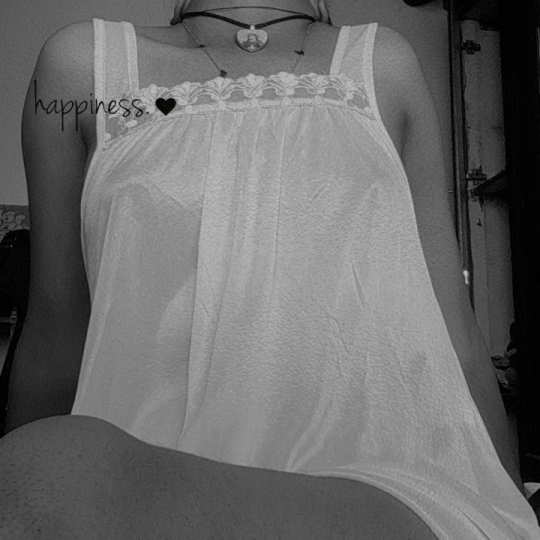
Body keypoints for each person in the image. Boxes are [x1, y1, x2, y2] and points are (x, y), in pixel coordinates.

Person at [1, 0, 539, 538]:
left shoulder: (381, 65)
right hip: (141, 487)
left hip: (386, 486)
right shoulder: (86, 67)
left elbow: (453, 331)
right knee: (60, 471)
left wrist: (509, 508)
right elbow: (55, 336)